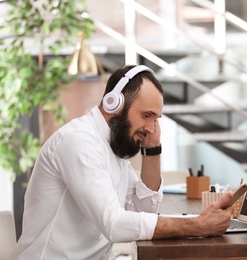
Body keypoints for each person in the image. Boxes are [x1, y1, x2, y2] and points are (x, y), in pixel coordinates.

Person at [9, 65, 234, 259]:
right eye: (147, 116)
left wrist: (153, 151)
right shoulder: (79, 142)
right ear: (114, 104)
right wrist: (197, 225)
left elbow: (143, 210)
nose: (151, 128)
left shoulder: (113, 143)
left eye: (156, 119)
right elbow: (115, 225)